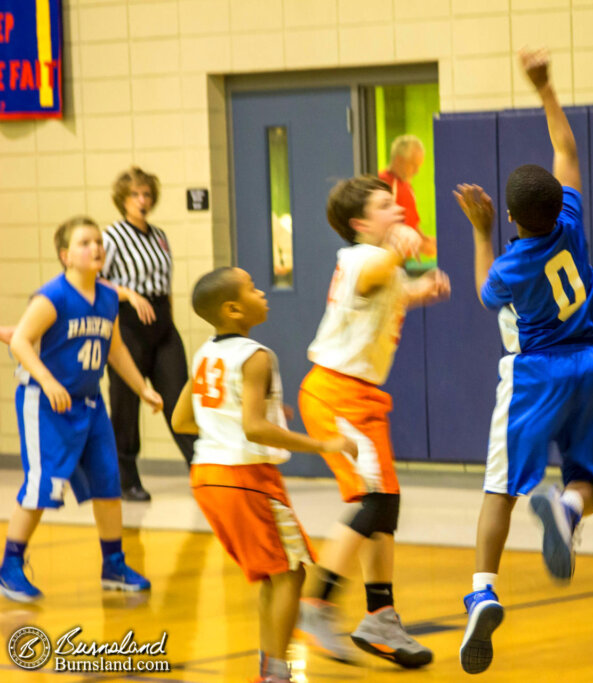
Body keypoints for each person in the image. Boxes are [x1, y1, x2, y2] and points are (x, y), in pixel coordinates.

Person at [453, 48, 593, 675]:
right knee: (591, 482)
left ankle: (483, 589)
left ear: (516, 218)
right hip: (590, 364)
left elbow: (481, 291)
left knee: (500, 488)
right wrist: (546, 89)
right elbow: (566, 150)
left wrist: (480, 231)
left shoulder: (511, 265)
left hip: (534, 374)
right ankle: (568, 510)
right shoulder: (570, 220)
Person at [171, 267, 356, 683]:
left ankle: (269, 669)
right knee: (291, 572)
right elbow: (254, 428)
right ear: (234, 309)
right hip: (244, 476)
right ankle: (276, 673)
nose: (263, 293)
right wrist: (322, 444)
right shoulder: (255, 355)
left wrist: (260, 415)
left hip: (207, 477)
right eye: (254, 289)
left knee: (277, 576)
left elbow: (183, 419)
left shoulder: (204, 354)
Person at [294, 175, 450, 669]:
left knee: (385, 506)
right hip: (336, 393)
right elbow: (370, 278)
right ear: (361, 223)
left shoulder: (383, 265)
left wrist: (419, 291)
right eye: (387, 206)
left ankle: (380, 615)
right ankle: (316, 605)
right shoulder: (362, 258)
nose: (398, 211)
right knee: (372, 500)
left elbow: (386, 294)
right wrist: (402, 257)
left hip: (360, 396)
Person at [0, 216, 162, 603]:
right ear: (65, 255)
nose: (95, 248)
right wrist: (49, 381)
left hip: (90, 404)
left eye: (98, 242)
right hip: (47, 404)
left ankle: (114, 565)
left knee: (108, 484)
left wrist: (143, 388)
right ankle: (9, 567)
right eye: (85, 242)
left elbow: (116, 349)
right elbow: (20, 341)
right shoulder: (52, 297)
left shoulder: (107, 297)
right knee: (43, 487)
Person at [102, 166, 196, 502]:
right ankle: (127, 479)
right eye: (135, 195)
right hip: (128, 324)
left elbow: (166, 282)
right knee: (126, 403)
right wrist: (129, 294)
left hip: (161, 321)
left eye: (146, 194)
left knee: (179, 396)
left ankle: (200, 468)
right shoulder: (111, 237)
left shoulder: (159, 235)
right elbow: (94, 279)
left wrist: (168, 316)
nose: (142, 201)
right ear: (123, 200)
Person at [379, 134, 437, 258]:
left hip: (402, 260)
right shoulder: (382, 183)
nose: (416, 171)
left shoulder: (407, 187)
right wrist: (421, 244)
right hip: (386, 259)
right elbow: (383, 228)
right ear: (399, 160)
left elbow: (412, 224)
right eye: (413, 165)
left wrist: (425, 239)